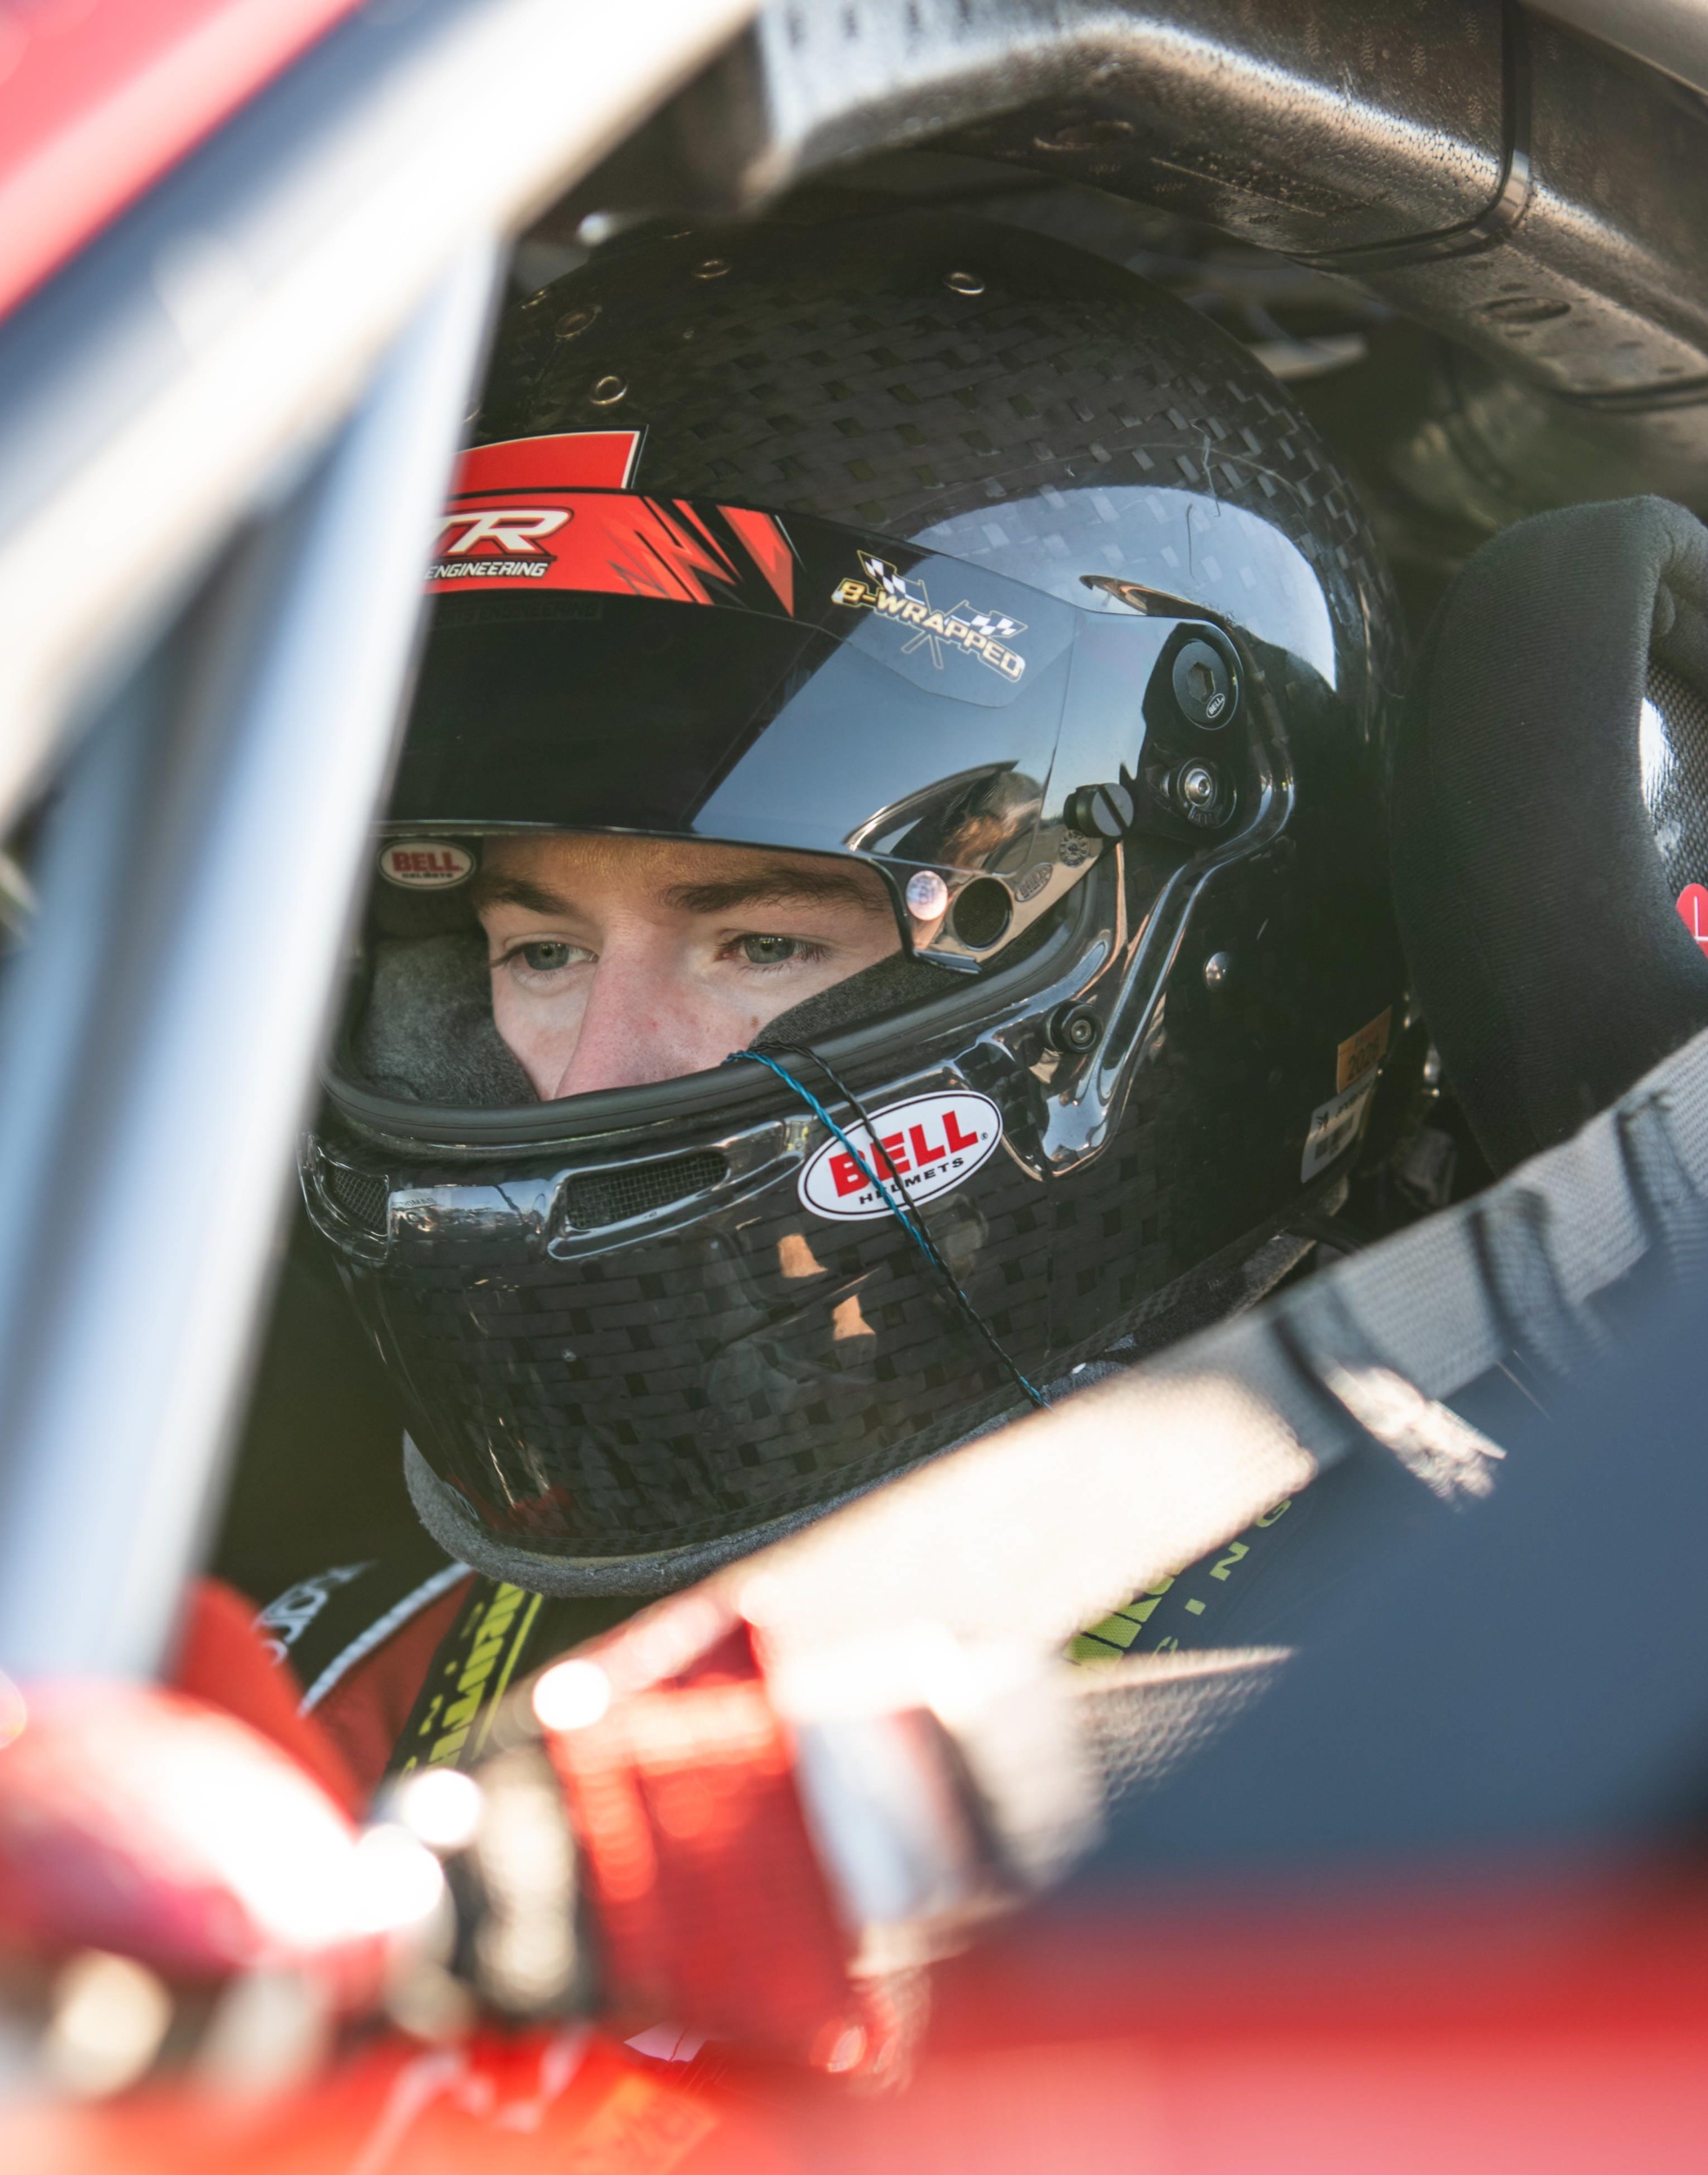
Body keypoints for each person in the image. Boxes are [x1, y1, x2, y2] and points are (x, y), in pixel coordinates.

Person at [240, 205, 1427, 1796]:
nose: (593, 1078)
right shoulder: (320, 1698)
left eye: (760, 947)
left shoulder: (1447, 1721)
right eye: (540, 954)